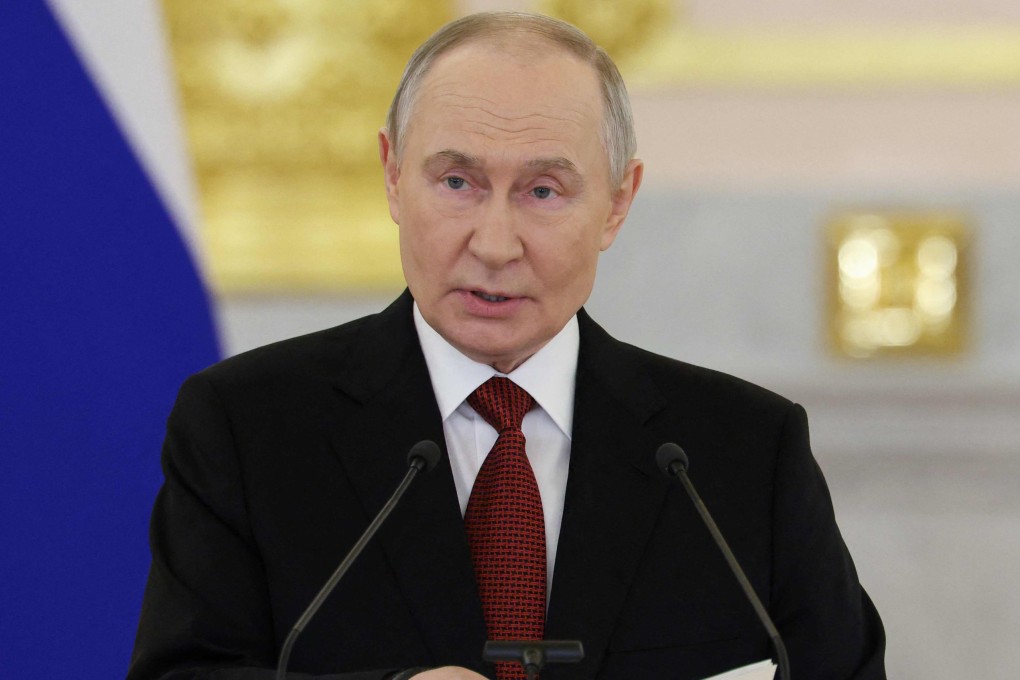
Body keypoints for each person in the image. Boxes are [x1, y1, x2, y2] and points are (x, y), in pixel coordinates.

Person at [128, 11, 886, 680]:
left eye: (543, 192)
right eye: (456, 182)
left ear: (618, 203)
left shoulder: (739, 454)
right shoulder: (248, 426)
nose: (494, 244)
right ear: (393, 176)